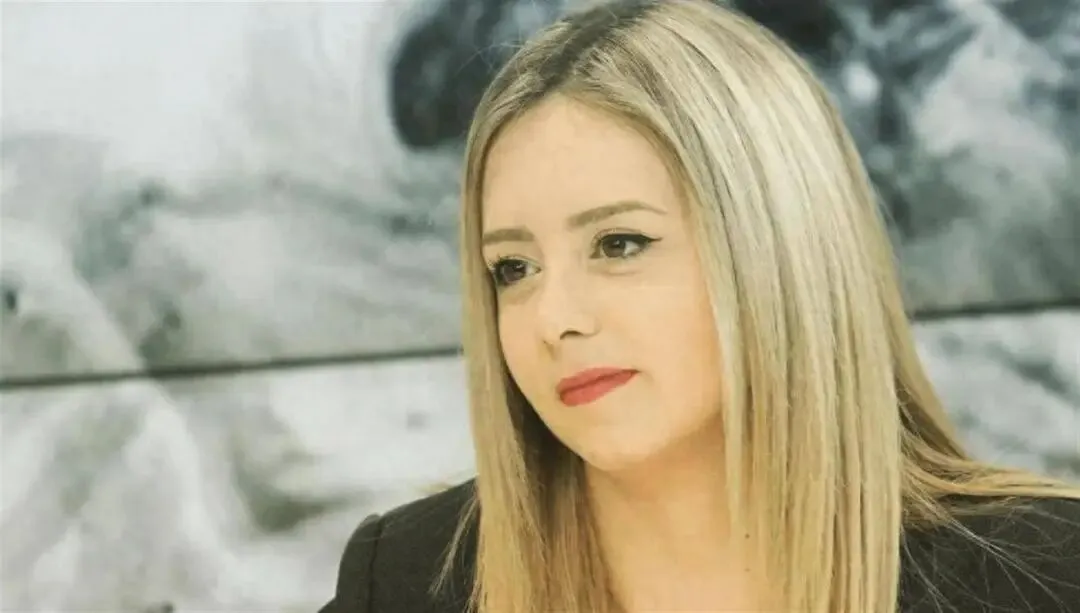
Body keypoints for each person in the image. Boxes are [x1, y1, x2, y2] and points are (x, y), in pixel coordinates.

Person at [318, 0, 1080, 611]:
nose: (554, 319)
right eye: (513, 268)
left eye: (619, 243)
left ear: (777, 247)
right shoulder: (409, 579)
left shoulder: (1047, 575)